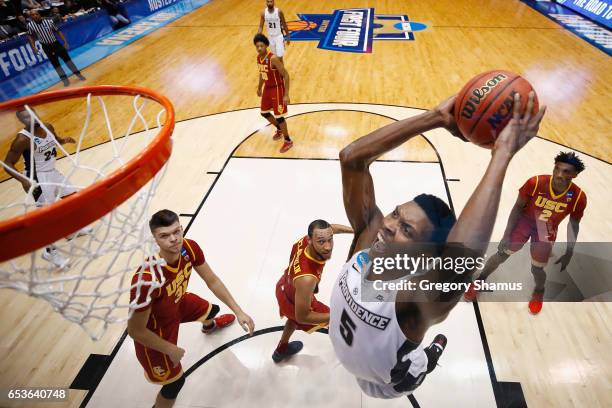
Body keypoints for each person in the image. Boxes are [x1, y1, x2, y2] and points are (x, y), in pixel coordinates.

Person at [328, 93, 546, 399]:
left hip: (392, 381)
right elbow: (351, 158)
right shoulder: (368, 238)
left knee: (418, 365)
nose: (388, 226)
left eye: (406, 229)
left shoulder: (413, 302)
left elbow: (460, 260)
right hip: (356, 357)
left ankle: (430, 356)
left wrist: (502, 154)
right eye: (395, 213)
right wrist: (435, 117)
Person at [128, 209, 255, 408]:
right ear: (154, 240)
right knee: (175, 384)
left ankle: (209, 327)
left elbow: (212, 280)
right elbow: (135, 330)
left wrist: (239, 311)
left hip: (178, 302)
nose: (174, 239)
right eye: (164, 235)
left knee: (211, 310)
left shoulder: (189, 247)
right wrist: (169, 348)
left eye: (177, 231)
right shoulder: (146, 279)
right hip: (156, 331)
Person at [464, 152, 587, 314]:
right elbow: (517, 208)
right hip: (525, 222)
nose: (559, 174)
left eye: (566, 171)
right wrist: (506, 235)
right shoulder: (535, 183)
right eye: (557, 168)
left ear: (575, 175)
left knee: (537, 269)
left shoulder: (578, 197)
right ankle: (480, 280)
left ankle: (539, 292)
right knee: (501, 255)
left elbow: (574, 224)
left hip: (546, 229)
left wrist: (569, 251)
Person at [3, 109, 81, 268]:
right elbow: (7, 163)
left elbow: (55, 140)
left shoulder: (47, 127)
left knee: (72, 197)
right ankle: (49, 252)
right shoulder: (22, 139)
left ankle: (69, 231)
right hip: (37, 178)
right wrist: (23, 180)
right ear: (22, 121)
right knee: (47, 218)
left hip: (52, 172)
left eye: (32, 113)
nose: (30, 117)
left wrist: (63, 141)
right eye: (25, 116)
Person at [273, 220, 353, 362]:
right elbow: (302, 316)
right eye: (321, 242)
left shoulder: (304, 241)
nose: (328, 247)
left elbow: (332, 228)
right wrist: (337, 315)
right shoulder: (307, 279)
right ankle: (351, 355)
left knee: (292, 319)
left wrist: (356, 231)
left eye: (330, 240)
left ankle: (281, 349)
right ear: (310, 240)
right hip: (297, 298)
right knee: (340, 319)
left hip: (284, 288)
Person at [254, 33, 293, 153]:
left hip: (277, 88)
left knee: (279, 116)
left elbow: (286, 75)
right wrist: (259, 87)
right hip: (267, 88)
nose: (259, 48)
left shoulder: (273, 58)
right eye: (257, 46)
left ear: (266, 46)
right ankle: (279, 129)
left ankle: (288, 141)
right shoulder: (258, 58)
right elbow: (262, 73)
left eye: (261, 46)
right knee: (264, 112)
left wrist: (286, 94)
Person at [27, 9, 85, 86]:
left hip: (56, 44)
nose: (35, 16)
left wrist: (65, 41)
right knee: (56, 64)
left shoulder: (49, 21)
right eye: (32, 15)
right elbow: (30, 36)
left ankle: (78, 74)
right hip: (46, 46)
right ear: (31, 17)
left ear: (39, 15)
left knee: (67, 60)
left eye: (36, 14)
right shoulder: (30, 25)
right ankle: (65, 80)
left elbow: (57, 31)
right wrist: (33, 47)